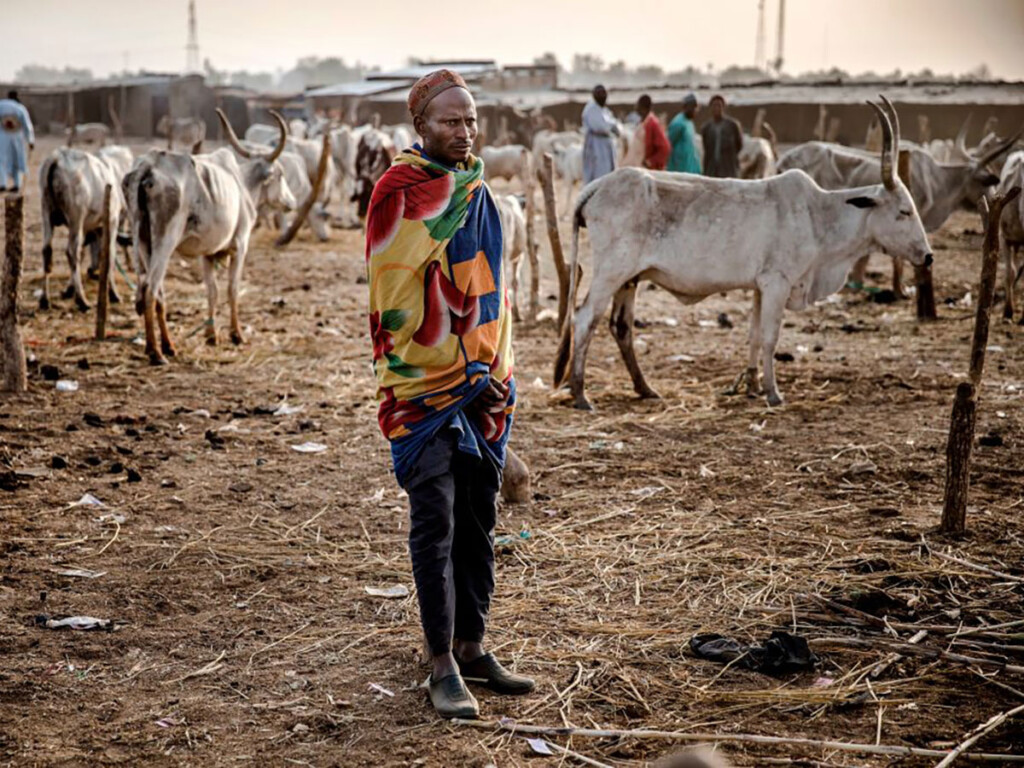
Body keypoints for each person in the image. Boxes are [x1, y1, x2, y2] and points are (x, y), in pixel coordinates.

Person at [364, 69, 535, 720]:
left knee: (478, 518)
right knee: (434, 521)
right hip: (424, 381)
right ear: (420, 127)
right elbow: (396, 301)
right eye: (450, 121)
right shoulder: (398, 194)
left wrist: (492, 361)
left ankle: (472, 646)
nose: (464, 132)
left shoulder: (478, 191)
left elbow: (494, 291)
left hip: (481, 381)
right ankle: (438, 663)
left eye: (470, 120)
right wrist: (458, 360)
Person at [581, 84, 620, 184]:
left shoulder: (604, 110)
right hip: (595, 146)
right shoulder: (591, 109)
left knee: (608, 174)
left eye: (604, 94)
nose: (603, 97)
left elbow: (615, 124)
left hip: (606, 146)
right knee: (597, 176)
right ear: (594, 95)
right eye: (600, 94)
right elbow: (600, 126)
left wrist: (614, 127)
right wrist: (612, 127)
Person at [700, 94, 744, 178]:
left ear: (723, 107)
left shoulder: (733, 125)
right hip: (712, 169)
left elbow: (739, 146)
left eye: (719, 106)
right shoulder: (706, 128)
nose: (716, 108)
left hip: (729, 168)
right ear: (710, 108)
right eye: (714, 106)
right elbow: (706, 149)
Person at [0, 90, 34, 193]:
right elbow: (27, 126)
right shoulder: (20, 108)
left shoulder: (1, 105)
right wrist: (31, 140)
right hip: (17, 138)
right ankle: (17, 184)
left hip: (3, 137)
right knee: (17, 160)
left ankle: (3, 183)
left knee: (2, 160)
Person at [667, 93, 702, 174]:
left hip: (691, 170)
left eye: (696, 107)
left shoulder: (689, 123)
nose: (695, 109)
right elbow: (668, 145)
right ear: (685, 107)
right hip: (680, 171)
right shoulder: (678, 123)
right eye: (693, 106)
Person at [637, 94, 670, 171]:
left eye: (638, 106)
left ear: (643, 108)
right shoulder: (644, 122)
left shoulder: (653, 123)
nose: (636, 109)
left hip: (651, 169)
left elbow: (665, 147)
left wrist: (651, 162)